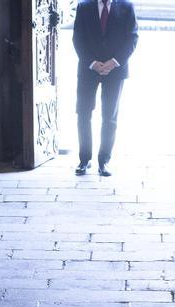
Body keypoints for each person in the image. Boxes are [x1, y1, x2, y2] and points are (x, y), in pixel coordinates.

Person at [72, 0, 138, 177]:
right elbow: (77, 38)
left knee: (110, 117)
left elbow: (132, 37)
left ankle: (104, 161)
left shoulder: (126, 7)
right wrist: (92, 63)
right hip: (88, 69)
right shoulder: (84, 6)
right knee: (83, 114)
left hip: (115, 70)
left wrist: (114, 62)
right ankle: (84, 159)